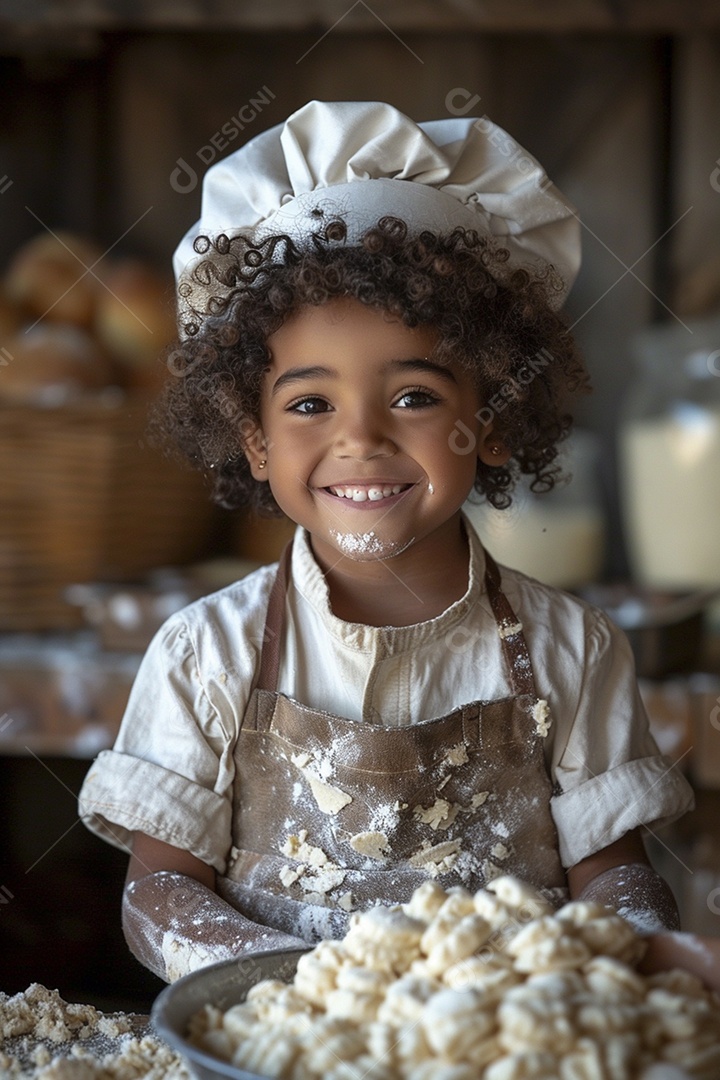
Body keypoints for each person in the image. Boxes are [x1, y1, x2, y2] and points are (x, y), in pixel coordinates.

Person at [78, 100, 694, 984]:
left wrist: (618, 958)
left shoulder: (574, 650)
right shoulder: (204, 653)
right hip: (277, 1044)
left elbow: (615, 874)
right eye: (308, 404)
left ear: (492, 420)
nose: (360, 439)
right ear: (254, 439)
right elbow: (161, 889)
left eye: (413, 396)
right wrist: (297, 989)